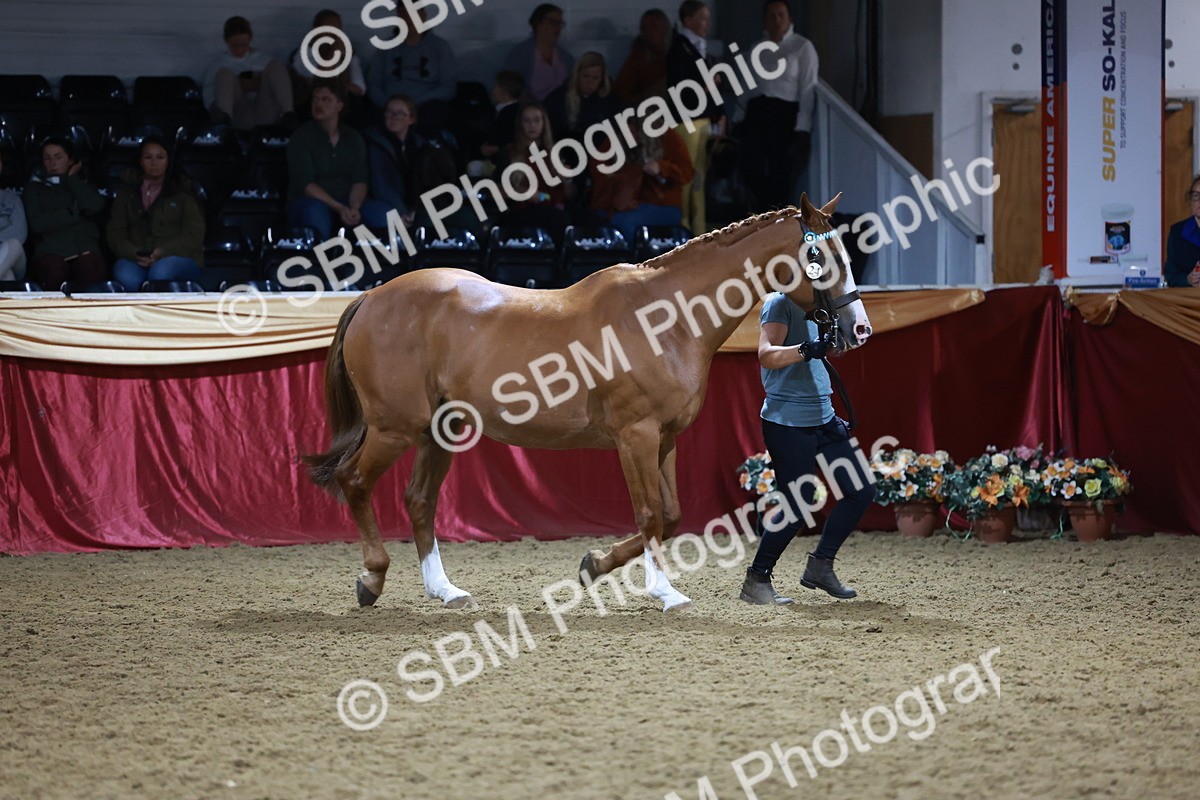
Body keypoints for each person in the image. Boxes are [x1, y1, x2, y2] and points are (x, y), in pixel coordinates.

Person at [739, 291, 875, 605]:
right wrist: (804, 349)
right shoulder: (779, 303)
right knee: (798, 505)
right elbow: (766, 354)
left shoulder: (821, 304)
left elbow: (821, 354)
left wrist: (838, 342)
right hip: (787, 423)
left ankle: (820, 565)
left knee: (861, 490)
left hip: (824, 417)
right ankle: (757, 578)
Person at [738, 0, 818, 212]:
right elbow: (746, 87)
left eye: (781, 14)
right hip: (757, 111)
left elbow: (807, 88)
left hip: (784, 113)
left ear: (789, 18)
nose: (776, 20)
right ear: (765, 19)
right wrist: (739, 117)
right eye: (771, 15)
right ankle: (765, 209)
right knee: (750, 167)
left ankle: (778, 219)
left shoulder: (802, 46)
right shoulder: (757, 48)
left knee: (781, 172)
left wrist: (803, 127)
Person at [286, 80, 389, 239]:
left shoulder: (353, 138)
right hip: (311, 201)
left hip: (348, 199)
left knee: (383, 214)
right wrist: (339, 208)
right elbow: (306, 184)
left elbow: (360, 180)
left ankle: (383, 261)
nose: (318, 104)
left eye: (326, 99)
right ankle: (320, 261)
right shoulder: (301, 137)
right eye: (315, 99)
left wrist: (354, 207)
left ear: (339, 105)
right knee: (315, 213)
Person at [107, 136, 205, 291]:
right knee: (124, 274)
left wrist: (162, 252)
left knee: (160, 273)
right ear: (140, 161)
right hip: (136, 258)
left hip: (179, 258)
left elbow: (194, 235)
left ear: (169, 160)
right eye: (148, 157)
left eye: (160, 157)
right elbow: (115, 232)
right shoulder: (128, 190)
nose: (154, 163)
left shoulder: (182, 190)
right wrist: (134, 252)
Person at [666, 0, 725, 234]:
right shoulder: (679, 49)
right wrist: (706, 86)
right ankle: (682, 225)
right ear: (687, 20)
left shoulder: (701, 49)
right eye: (701, 18)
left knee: (699, 177)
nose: (706, 23)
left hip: (703, 119)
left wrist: (719, 114)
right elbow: (680, 87)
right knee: (686, 175)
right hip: (685, 120)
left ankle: (699, 228)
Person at [22, 137, 108, 287]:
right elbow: (38, 224)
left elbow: (94, 206)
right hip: (50, 253)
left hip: (84, 250)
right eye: (47, 158)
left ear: (70, 160)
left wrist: (73, 178)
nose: (52, 162)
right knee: (55, 269)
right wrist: (72, 213)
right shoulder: (33, 189)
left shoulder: (83, 185)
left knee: (89, 266)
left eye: (58, 157)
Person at [590, 126, 693, 242]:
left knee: (622, 222)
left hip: (662, 206)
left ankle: (639, 259)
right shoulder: (616, 137)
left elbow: (686, 172)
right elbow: (598, 171)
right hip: (623, 205)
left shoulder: (666, 135)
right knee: (599, 219)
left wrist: (662, 168)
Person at [366, 3, 457, 133]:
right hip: (389, 105)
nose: (408, 19)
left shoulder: (440, 47)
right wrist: (391, 105)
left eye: (412, 13)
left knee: (438, 113)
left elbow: (448, 87)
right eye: (403, 14)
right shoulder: (385, 47)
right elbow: (374, 83)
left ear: (423, 15)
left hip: (426, 107)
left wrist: (413, 104)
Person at [204, 16, 295, 131]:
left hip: (264, 111)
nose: (240, 50)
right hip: (237, 113)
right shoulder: (218, 63)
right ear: (226, 41)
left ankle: (288, 114)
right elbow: (208, 93)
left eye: (244, 45)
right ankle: (223, 123)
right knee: (224, 74)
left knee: (276, 67)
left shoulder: (263, 60)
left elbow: (277, 80)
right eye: (235, 46)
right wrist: (240, 83)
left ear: (250, 40)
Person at [496, 103, 571, 238]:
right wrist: (524, 193)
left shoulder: (554, 153)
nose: (532, 126)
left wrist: (566, 179)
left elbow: (570, 194)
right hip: (523, 210)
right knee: (558, 219)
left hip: (555, 207)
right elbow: (496, 192)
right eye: (527, 121)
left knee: (588, 219)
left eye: (536, 120)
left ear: (544, 123)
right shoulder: (509, 153)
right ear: (520, 125)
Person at [290, 9, 368, 123]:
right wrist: (333, 53)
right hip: (313, 105)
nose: (334, 34)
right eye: (329, 29)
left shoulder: (348, 53)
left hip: (344, 106)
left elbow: (359, 88)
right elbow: (317, 83)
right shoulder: (305, 53)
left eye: (337, 29)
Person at [364, 95, 427, 224]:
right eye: (389, 111)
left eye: (400, 113)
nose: (393, 116)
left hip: (413, 205)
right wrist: (402, 211)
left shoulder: (421, 145)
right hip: (380, 202)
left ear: (411, 119)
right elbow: (380, 186)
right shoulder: (373, 143)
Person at [543, 51, 622, 142]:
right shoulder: (558, 98)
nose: (590, 82)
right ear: (577, 75)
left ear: (602, 79)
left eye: (595, 78)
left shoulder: (611, 102)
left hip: (600, 153)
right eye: (585, 76)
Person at [504, 4, 575, 102]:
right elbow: (511, 88)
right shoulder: (520, 54)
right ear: (538, 23)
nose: (557, 27)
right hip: (529, 111)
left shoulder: (566, 57)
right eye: (552, 22)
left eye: (560, 23)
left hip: (562, 112)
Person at [613, 9, 671, 106]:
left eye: (654, 26)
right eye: (644, 28)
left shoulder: (681, 51)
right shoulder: (638, 55)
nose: (649, 31)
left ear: (665, 28)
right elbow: (621, 90)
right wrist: (642, 101)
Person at [480, 71, 524, 162]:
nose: (493, 90)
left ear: (503, 91)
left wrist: (495, 148)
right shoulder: (499, 111)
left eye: (496, 86)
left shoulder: (511, 114)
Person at [1164, 175, 1200, 288]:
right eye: (1196, 196)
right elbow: (1171, 277)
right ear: (1190, 200)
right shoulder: (1177, 232)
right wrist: (1188, 279)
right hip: (1187, 302)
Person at [0, 152, 28, 281]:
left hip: (12, 255)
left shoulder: (10, 197)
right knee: (7, 276)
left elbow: (19, 232)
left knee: (14, 244)